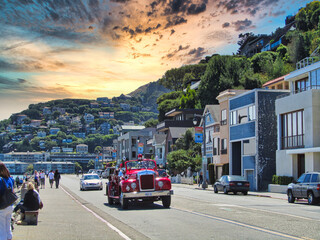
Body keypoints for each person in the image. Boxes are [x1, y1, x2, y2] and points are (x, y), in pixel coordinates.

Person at [0, 162, 15, 240]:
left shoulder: (0, 180)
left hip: (2, 206)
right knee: (8, 225)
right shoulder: (10, 179)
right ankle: (9, 238)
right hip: (10, 205)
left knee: (1, 228)